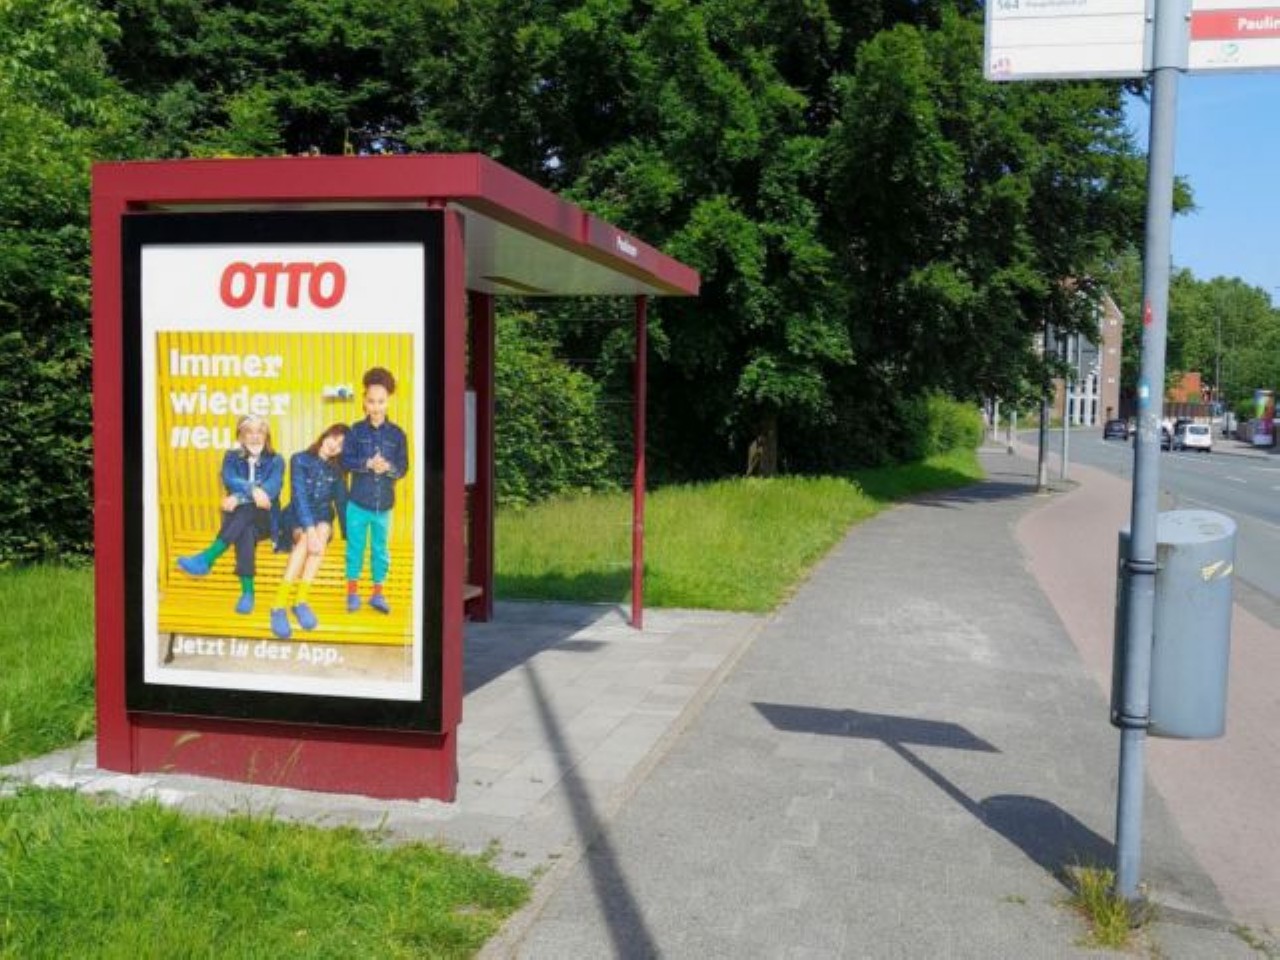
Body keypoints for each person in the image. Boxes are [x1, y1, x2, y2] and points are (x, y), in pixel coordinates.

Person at [176, 414, 284, 615]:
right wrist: (252, 491)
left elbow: (272, 488)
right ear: (241, 436)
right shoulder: (231, 457)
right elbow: (230, 478)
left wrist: (239, 497)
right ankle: (247, 593)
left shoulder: (276, 460)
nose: (255, 436)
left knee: (246, 509)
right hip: (242, 522)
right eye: (249, 432)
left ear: (266, 436)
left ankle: (208, 557)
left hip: (266, 519)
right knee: (246, 531)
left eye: (260, 431)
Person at [268, 424, 350, 639]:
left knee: (323, 529)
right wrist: (310, 531)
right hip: (296, 516)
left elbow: (341, 504)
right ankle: (279, 604)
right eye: (334, 438)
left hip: (322, 517)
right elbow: (299, 497)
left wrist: (350, 538)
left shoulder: (338, 471)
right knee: (308, 538)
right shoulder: (299, 459)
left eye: (342, 445)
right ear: (325, 435)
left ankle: (300, 601)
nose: (335, 445)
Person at [342, 367, 408, 614]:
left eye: (381, 401)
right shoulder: (355, 431)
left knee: (380, 551)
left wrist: (388, 467)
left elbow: (403, 468)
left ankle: (377, 594)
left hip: (384, 506)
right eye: (371, 401)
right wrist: (367, 464)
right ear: (364, 401)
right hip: (357, 504)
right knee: (355, 549)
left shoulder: (398, 435)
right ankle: (352, 594)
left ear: (388, 401)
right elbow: (345, 461)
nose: (376, 407)